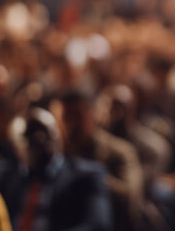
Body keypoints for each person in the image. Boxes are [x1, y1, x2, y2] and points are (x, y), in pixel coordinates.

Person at [0, 108, 112, 231]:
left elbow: (97, 225)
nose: (41, 139)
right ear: (15, 146)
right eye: (30, 134)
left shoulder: (86, 176)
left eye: (46, 131)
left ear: (59, 135)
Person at [61, 92, 144, 231]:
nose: (72, 124)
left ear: (91, 115)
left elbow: (130, 197)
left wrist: (91, 177)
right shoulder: (59, 153)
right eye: (67, 117)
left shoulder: (120, 152)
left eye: (78, 116)